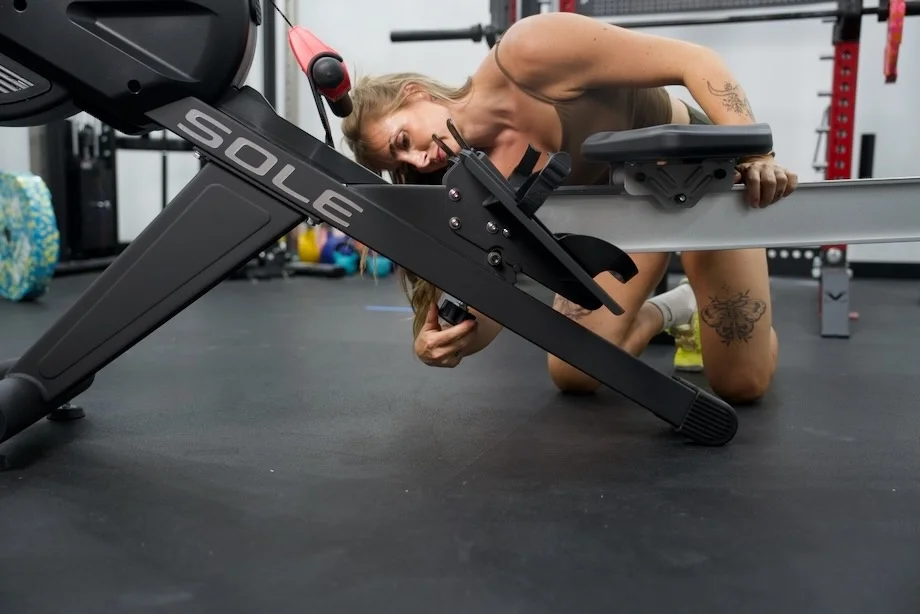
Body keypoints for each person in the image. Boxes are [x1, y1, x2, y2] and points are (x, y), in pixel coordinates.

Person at [341, 11, 799, 404]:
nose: (419, 160)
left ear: (415, 93)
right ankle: (676, 309)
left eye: (403, 141)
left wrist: (755, 153)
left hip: (698, 176)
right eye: (400, 163)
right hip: (615, 215)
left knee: (742, 384)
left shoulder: (531, 52)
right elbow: (494, 298)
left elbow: (695, 61)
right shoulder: (481, 183)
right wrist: (440, 343)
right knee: (574, 374)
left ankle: (725, 315)